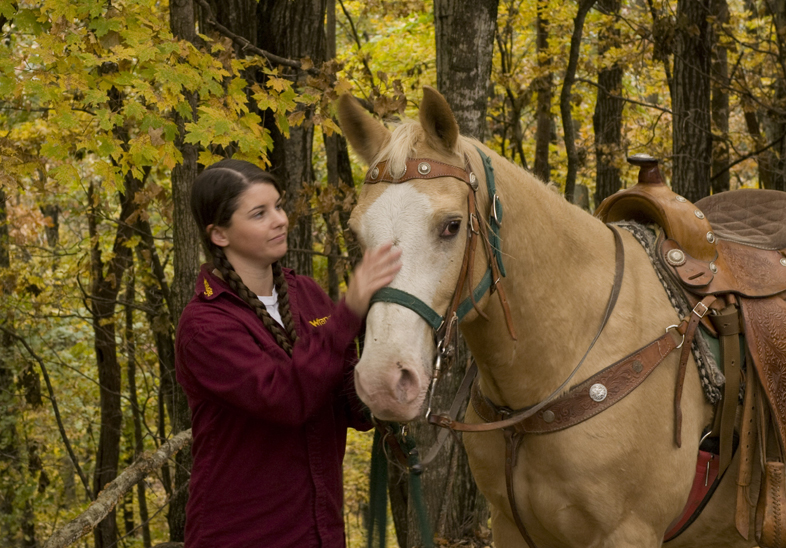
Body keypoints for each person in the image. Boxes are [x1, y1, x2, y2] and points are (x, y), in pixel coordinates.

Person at [175, 159, 402, 548]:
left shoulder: (307, 295)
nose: (280, 220)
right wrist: (350, 311)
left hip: (321, 530)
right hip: (242, 536)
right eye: (259, 213)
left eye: (278, 206)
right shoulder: (204, 327)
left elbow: (346, 406)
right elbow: (287, 399)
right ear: (219, 235)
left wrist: (386, 346)